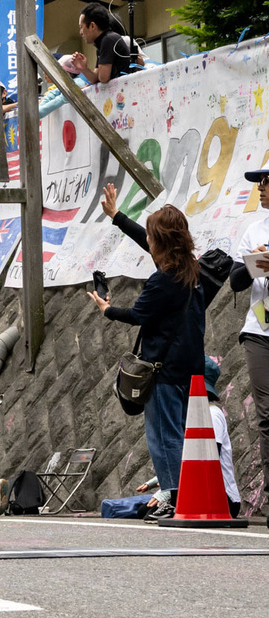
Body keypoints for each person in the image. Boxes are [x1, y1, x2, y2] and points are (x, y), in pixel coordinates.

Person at [88, 183, 205, 521]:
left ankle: (173, 496)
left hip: (163, 369)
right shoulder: (190, 269)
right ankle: (184, 493)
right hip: (190, 367)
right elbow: (150, 243)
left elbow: (138, 315)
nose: (149, 242)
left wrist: (107, 309)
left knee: (163, 435)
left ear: (163, 244)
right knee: (180, 433)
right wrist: (117, 217)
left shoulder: (162, 282)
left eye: (153, 238)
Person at [137, 356, 242, 519]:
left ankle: (174, 500)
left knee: (151, 513)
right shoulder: (193, 416)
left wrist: (171, 492)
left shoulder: (212, 415)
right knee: (144, 511)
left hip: (220, 498)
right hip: (201, 490)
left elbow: (204, 464)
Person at [229, 167, 269, 524]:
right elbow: (235, 282)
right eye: (259, 183)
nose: (261, 188)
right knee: (268, 416)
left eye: (266, 182)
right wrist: (254, 262)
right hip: (260, 331)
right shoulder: (255, 231)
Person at [71, 2, 131, 84]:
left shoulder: (108, 40)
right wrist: (83, 68)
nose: (81, 32)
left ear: (92, 26)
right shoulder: (103, 41)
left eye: (81, 27)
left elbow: (103, 78)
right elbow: (95, 79)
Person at [39, 54, 91, 118]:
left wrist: (38, 114)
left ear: (67, 73)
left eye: (59, 72)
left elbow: (60, 99)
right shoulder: (68, 82)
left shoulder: (79, 83)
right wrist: (39, 107)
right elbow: (53, 93)